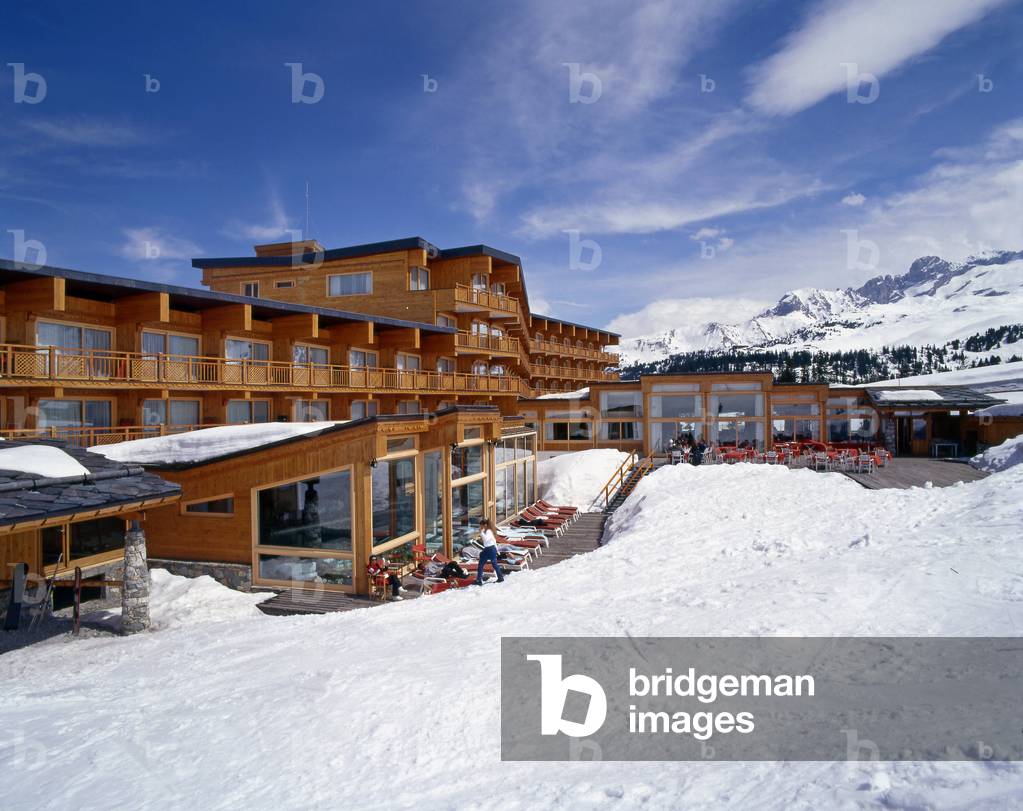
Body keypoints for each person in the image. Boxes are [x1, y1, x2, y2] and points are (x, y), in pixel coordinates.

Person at [475, 518, 505, 585]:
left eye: (481, 525)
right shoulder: (488, 531)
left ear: (485, 525)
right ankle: (500, 578)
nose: (480, 527)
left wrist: (481, 532)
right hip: (490, 549)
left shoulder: (488, 531)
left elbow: (486, 540)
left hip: (489, 549)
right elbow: (494, 541)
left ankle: (479, 580)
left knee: (482, 564)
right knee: (492, 564)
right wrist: (497, 550)